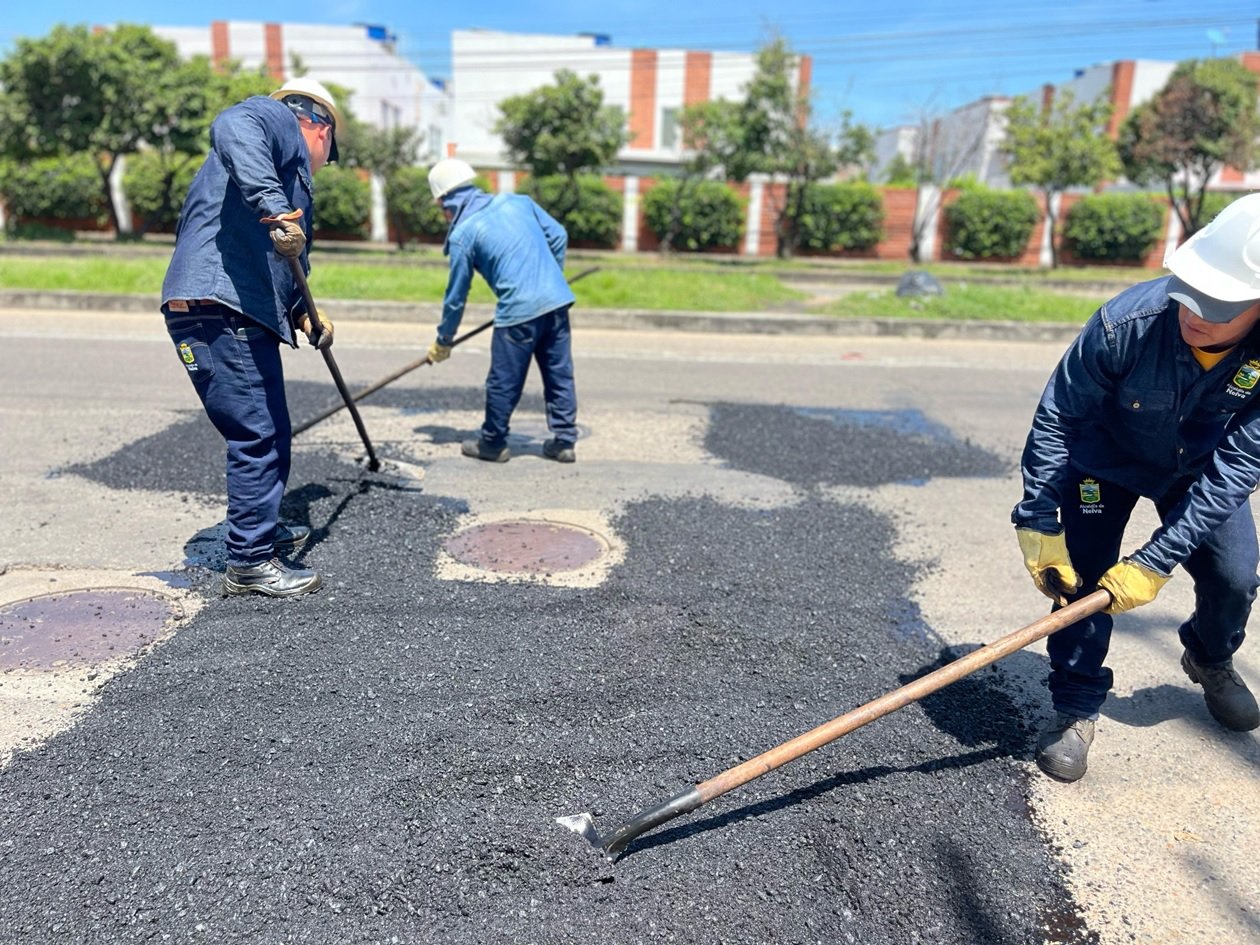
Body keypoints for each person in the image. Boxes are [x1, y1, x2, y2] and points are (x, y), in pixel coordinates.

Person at [1013, 193, 1260, 782]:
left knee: (1236, 575)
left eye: (1219, 305)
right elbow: (1057, 419)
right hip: (1104, 464)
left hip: (1197, 469)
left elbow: (1240, 464)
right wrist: (1038, 520)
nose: (1195, 312)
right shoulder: (1125, 323)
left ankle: (1209, 653)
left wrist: (1156, 561)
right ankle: (1075, 706)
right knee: (1080, 579)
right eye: (1189, 292)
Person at [160, 77, 343, 598]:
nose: (321, 166)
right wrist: (275, 206)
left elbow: (288, 263)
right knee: (256, 434)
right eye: (328, 154)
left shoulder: (280, 176)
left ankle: (259, 527)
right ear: (321, 130)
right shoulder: (277, 120)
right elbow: (232, 124)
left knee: (271, 429)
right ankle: (250, 561)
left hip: (236, 312)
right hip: (220, 310)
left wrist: (307, 314)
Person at [423, 158, 579, 464]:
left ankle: (493, 443)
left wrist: (444, 340)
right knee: (558, 373)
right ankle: (564, 442)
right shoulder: (518, 202)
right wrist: (549, 277)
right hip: (558, 302)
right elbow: (558, 235)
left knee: (503, 380)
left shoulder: (463, 235)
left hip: (518, 315)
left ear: (445, 202)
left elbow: (456, 298)